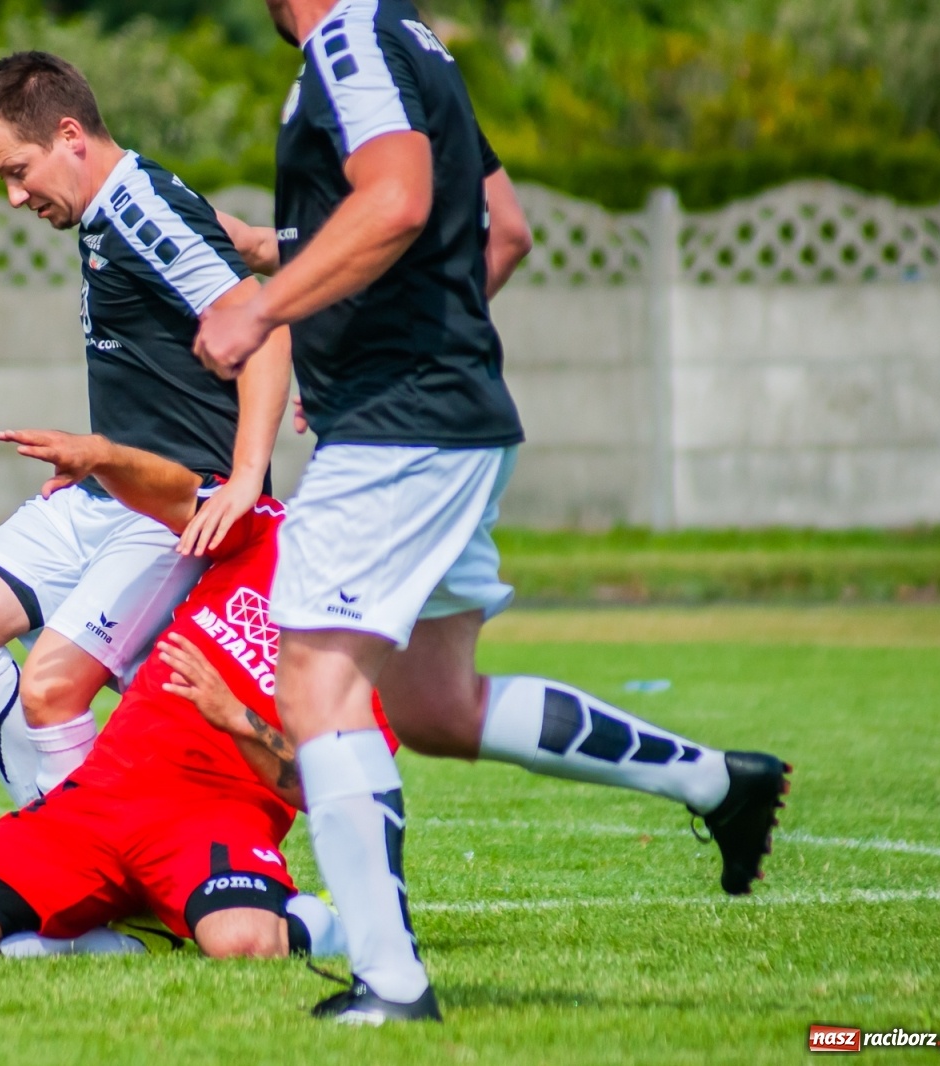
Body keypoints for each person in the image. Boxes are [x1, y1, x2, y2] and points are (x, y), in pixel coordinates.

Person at [193, 0, 791, 1023]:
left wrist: (266, 307)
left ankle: (391, 986)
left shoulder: (348, 40)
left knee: (319, 686)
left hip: (397, 431)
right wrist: (328, 297)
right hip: (452, 419)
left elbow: (395, 202)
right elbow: (499, 231)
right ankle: (717, 785)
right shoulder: (410, 40)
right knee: (437, 707)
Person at [0, 52, 292, 807]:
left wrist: (246, 480)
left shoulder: (139, 209)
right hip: (106, 491)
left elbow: (264, 329)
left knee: (52, 688)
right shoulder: (119, 206)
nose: (15, 197)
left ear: (69, 136)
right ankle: (58, 832)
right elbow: (246, 246)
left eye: (18, 171)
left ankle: (97, 856)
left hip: (175, 504)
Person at [0, 430, 385, 962]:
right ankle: (128, 942)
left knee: (244, 942)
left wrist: (238, 718)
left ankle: (323, 925)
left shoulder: (387, 645)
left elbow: (334, 791)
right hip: (101, 794)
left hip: (216, 818)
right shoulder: (266, 529)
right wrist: (103, 456)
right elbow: (176, 495)